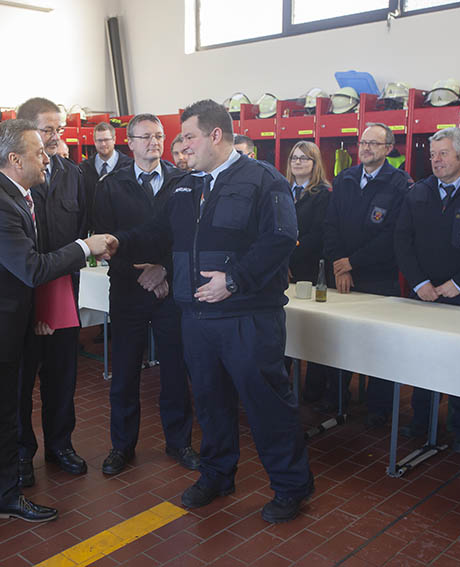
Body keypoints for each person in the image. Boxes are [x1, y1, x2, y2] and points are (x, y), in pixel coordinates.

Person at [107, 100, 313, 524]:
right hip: (196, 317)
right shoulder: (187, 185)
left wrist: (232, 280)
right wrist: (115, 242)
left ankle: (292, 487)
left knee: (266, 403)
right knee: (210, 402)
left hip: (247, 317)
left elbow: (280, 239)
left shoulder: (262, 180)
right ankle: (217, 475)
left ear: (215, 135)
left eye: (188, 137)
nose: (181, 145)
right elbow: (156, 232)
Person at [0, 118, 113, 542]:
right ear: (14, 160)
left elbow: (17, 269)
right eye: (38, 152)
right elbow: (31, 267)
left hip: (5, 329)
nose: (47, 157)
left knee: (4, 420)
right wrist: (86, 248)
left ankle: (7, 496)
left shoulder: (17, 195)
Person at [92, 113, 198, 476]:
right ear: (130, 143)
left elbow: (189, 238)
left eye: (158, 136)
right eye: (145, 137)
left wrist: (164, 269)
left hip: (170, 290)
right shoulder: (110, 185)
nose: (153, 142)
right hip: (127, 289)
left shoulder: (184, 182)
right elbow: (104, 242)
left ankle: (179, 441)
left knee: (173, 370)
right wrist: (139, 275)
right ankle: (121, 446)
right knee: (124, 372)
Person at [394, 127, 460, 454]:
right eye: (432, 155)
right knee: (423, 359)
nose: (436, 160)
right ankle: (422, 420)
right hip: (423, 293)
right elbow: (402, 240)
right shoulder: (417, 192)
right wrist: (419, 283)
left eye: (443, 153)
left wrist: (458, 284)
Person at [14, 97, 89, 486]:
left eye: (59, 129)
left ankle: (61, 444)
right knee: (22, 382)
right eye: (47, 130)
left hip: (63, 291)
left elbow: (82, 230)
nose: (56, 137)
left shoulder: (72, 174)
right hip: (25, 295)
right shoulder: (12, 180)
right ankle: (23, 454)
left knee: (62, 376)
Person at [323, 122, 412, 427]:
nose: (366, 149)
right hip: (343, 275)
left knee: (379, 346)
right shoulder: (345, 178)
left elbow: (392, 236)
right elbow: (331, 225)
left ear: (389, 148)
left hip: (378, 277)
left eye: (374, 144)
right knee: (342, 341)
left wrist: (352, 263)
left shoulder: (400, 183)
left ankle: (378, 408)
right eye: (363, 143)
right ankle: (337, 399)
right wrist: (339, 264)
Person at [283, 141, 337, 407]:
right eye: (294, 157)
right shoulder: (281, 190)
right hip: (282, 270)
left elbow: (318, 235)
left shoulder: (323, 194)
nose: (298, 162)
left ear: (315, 164)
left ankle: (314, 389)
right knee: (284, 326)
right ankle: (281, 383)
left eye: (305, 158)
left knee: (313, 330)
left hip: (308, 268)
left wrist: (288, 255)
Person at [79, 121, 132, 229]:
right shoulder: (84, 168)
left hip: (123, 229)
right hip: (94, 229)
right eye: (99, 140)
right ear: (94, 142)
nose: (103, 144)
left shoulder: (129, 166)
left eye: (106, 140)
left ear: (114, 140)